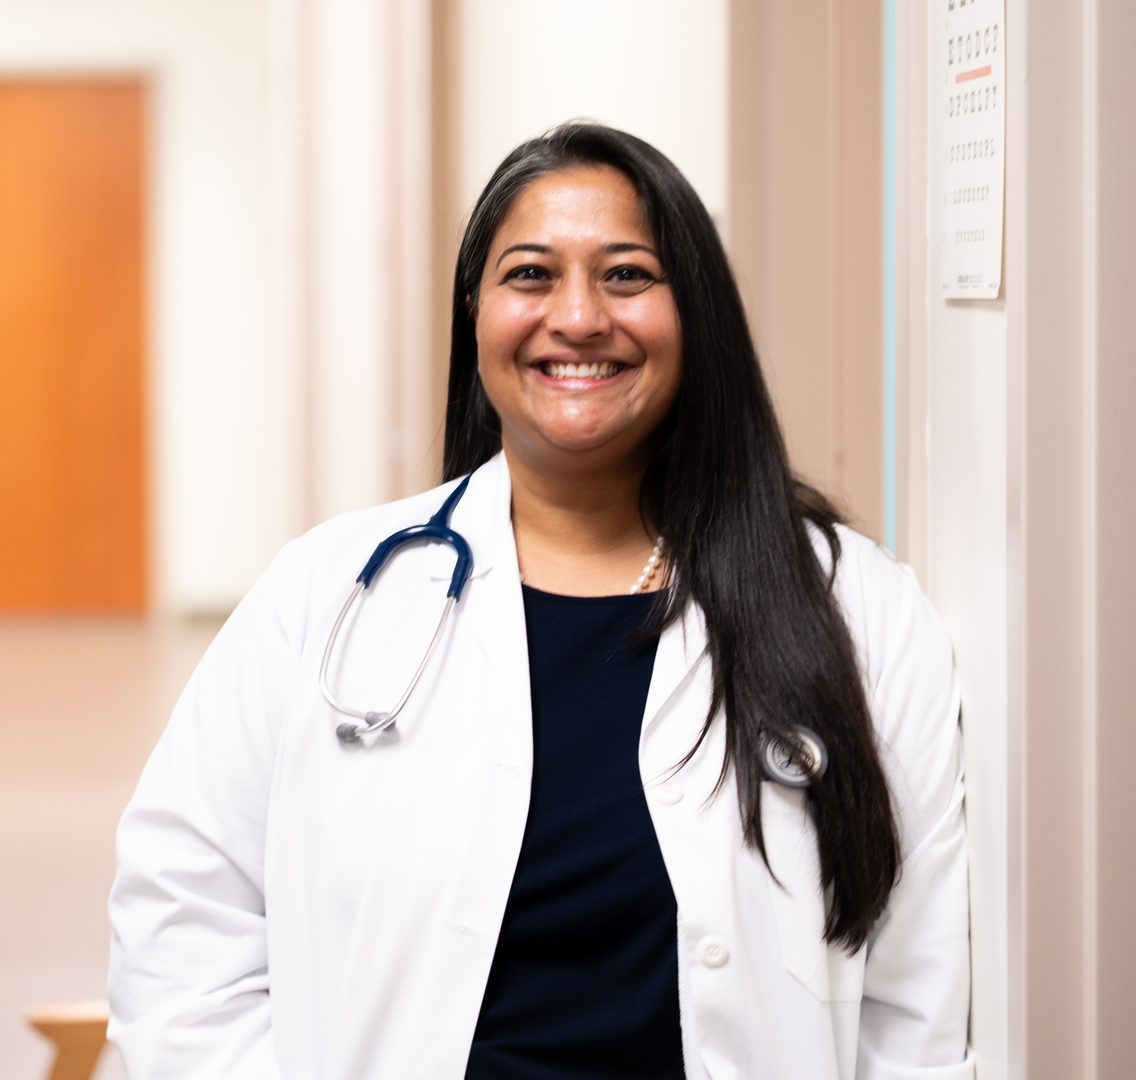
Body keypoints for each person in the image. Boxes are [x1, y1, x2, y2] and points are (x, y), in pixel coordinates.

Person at [107, 123, 972, 1080]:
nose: (579, 317)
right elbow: (182, 922)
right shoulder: (323, 595)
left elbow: (917, 995)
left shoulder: (859, 612)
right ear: (474, 313)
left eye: (629, 275)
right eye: (530, 274)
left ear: (698, 315)